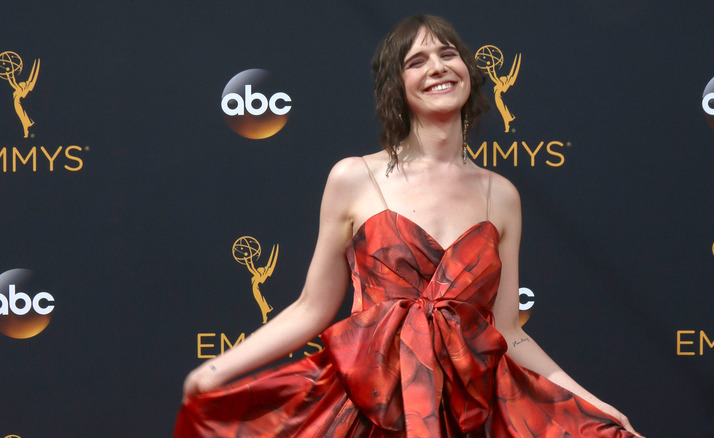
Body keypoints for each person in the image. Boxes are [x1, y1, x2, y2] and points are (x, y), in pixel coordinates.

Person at [175, 15, 643, 437]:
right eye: (417, 60)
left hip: (465, 417)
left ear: (468, 72)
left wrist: (588, 401)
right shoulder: (353, 177)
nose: (437, 67)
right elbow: (310, 310)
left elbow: (509, 332)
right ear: (397, 86)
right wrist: (218, 370)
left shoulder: (501, 195)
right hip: (366, 413)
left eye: (448, 54)